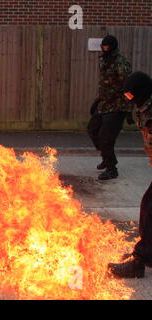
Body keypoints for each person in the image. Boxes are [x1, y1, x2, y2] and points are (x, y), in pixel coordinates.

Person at [108, 71, 152, 278]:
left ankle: (140, 262)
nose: (131, 101)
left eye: (132, 96)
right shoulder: (144, 106)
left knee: (150, 208)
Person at [87, 35, 133, 180]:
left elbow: (129, 87)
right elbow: (105, 85)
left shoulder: (120, 63)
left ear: (113, 47)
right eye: (103, 47)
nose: (105, 49)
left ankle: (112, 169)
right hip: (104, 104)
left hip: (117, 106)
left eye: (107, 47)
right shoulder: (104, 61)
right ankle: (107, 158)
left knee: (106, 137)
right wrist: (97, 101)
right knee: (92, 129)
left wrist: (129, 110)